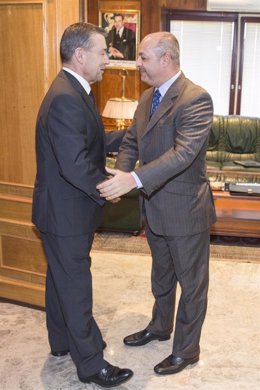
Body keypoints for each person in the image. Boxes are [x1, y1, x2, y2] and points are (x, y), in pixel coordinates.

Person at [97, 31, 216, 376]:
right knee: (161, 276)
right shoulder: (147, 96)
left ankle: (187, 350)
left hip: (185, 210)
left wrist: (133, 179)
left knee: (192, 284)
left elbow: (182, 155)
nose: (138, 64)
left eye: (144, 57)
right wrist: (119, 178)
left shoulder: (196, 98)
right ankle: (160, 327)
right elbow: (132, 142)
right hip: (155, 207)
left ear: (166, 58)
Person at [32, 22, 133, 387]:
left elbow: (89, 139)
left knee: (60, 277)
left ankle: (60, 342)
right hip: (65, 213)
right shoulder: (64, 97)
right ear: (80, 55)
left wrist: (130, 135)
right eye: (103, 52)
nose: (107, 59)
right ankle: (91, 365)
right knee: (76, 287)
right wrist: (107, 188)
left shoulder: (75, 91)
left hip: (61, 211)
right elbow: (75, 164)